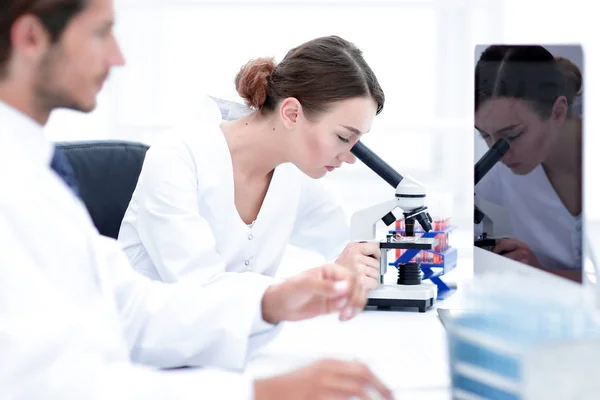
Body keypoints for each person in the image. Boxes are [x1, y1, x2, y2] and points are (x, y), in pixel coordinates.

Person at [0, 1, 394, 399]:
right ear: (32, 37)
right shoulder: (17, 183)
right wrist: (261, 392)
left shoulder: (37, 170)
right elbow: (42, 381)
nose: (119, 57)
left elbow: (130, 309)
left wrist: (273, 301)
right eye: (100, 32)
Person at [117, 35, 385, 299]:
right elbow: (200, 289)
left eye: (357, 142)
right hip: (153, 338)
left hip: (239, 340)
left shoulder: (295, 170)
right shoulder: (177, 159)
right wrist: (320, 282)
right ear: (291, 113)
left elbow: (345, 246)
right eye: (342, 137)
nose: (350, 157)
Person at [474, 44, 583, 282]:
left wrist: (538, 274)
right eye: (485, 135)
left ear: (557, 112)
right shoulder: (496, 175)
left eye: (512, 135)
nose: (498, 154)